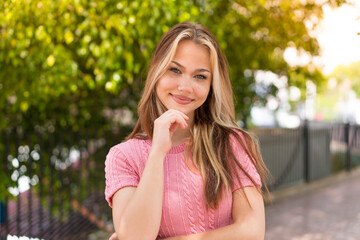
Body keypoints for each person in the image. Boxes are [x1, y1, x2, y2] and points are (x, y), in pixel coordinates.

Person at [105, 21, 269, 240]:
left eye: (200, 76)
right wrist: (157, 153)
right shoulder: (123, 157)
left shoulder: (232, 144)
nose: (185, 87)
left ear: (212, 85)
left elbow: (252, 231)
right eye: (175, 70)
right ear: (157, 72)